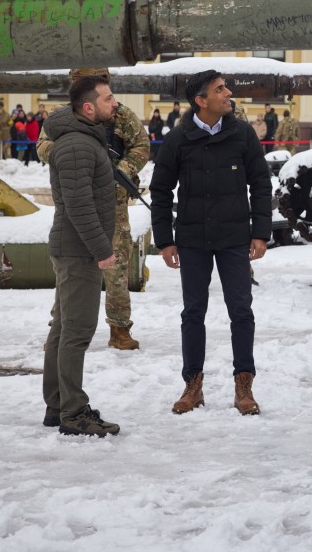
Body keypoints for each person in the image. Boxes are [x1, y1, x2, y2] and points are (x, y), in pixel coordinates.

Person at [150, 69, 272, 416]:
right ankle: (193, 385)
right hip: (192, 240)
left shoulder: (242, 134)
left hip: (234, 239)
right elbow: (160, 191)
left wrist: (260, 233)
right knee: (192, 313)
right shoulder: (179, 138)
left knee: (241, 311)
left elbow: (261, 184)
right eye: (220, 89)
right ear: (201, 101)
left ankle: (243, 385)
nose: (228, 93)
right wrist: (165, 241)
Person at [39, 68, 150, 350]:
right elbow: (42, 146)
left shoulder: (121, 115)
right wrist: (77, 158)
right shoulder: (61, 118)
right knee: (71, 268)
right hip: (75, 194)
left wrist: (118, 171)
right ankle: (61, 326)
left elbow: (141, 145)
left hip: (113, 199)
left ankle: (119, 328)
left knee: (117, 267)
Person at [41, 74, 120, 437]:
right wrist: (102, 250)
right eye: (107, 99)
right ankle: (73, 412)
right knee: (77, 331)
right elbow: (78, 204)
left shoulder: (84, 139)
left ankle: (58, 405)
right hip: (79, 251)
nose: (114, 103)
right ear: (88, 107)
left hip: (76, 248)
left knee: (63, 329)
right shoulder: (76, 145)